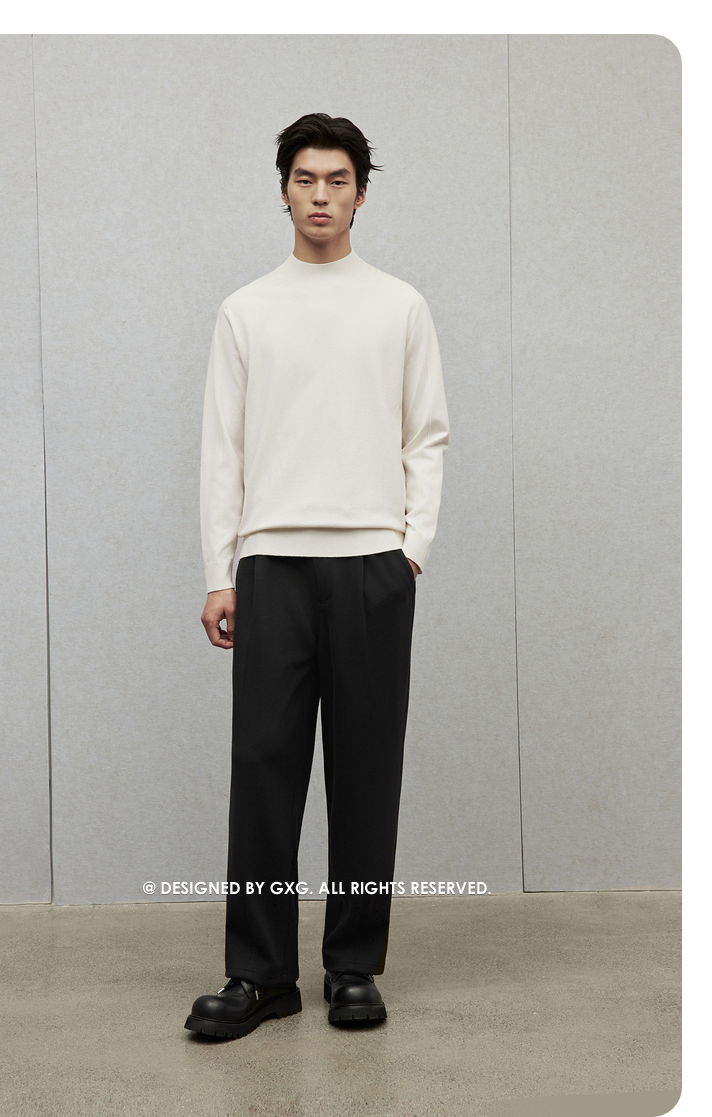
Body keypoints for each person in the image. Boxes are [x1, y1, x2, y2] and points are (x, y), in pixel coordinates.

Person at [185, 113, 449, 1039]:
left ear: (361, 194)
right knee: (263, 769)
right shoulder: (246, 310)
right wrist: (220, 569)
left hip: (372, 564)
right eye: (306, 179)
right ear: (284, 191)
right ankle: (259, 975)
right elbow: (223, 449)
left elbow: (427, 434)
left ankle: (352, 968)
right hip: (272, 566)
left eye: (338, 180)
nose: (322, 195)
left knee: (367, 772)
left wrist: (410, 549)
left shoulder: (399, 306)